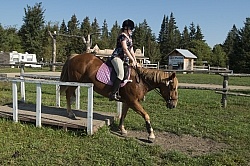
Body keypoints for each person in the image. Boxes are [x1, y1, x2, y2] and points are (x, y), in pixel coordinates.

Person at [109, 19, 137, 101]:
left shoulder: (130, 38)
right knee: (120, 74)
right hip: (117, 57)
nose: (131, 30)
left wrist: (135, 60)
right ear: (126, 28)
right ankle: (113, 93)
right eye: (131, 29)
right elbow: (125, 49)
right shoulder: (122, 36)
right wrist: (132, 60)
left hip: (125, 59)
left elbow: (131, 50)